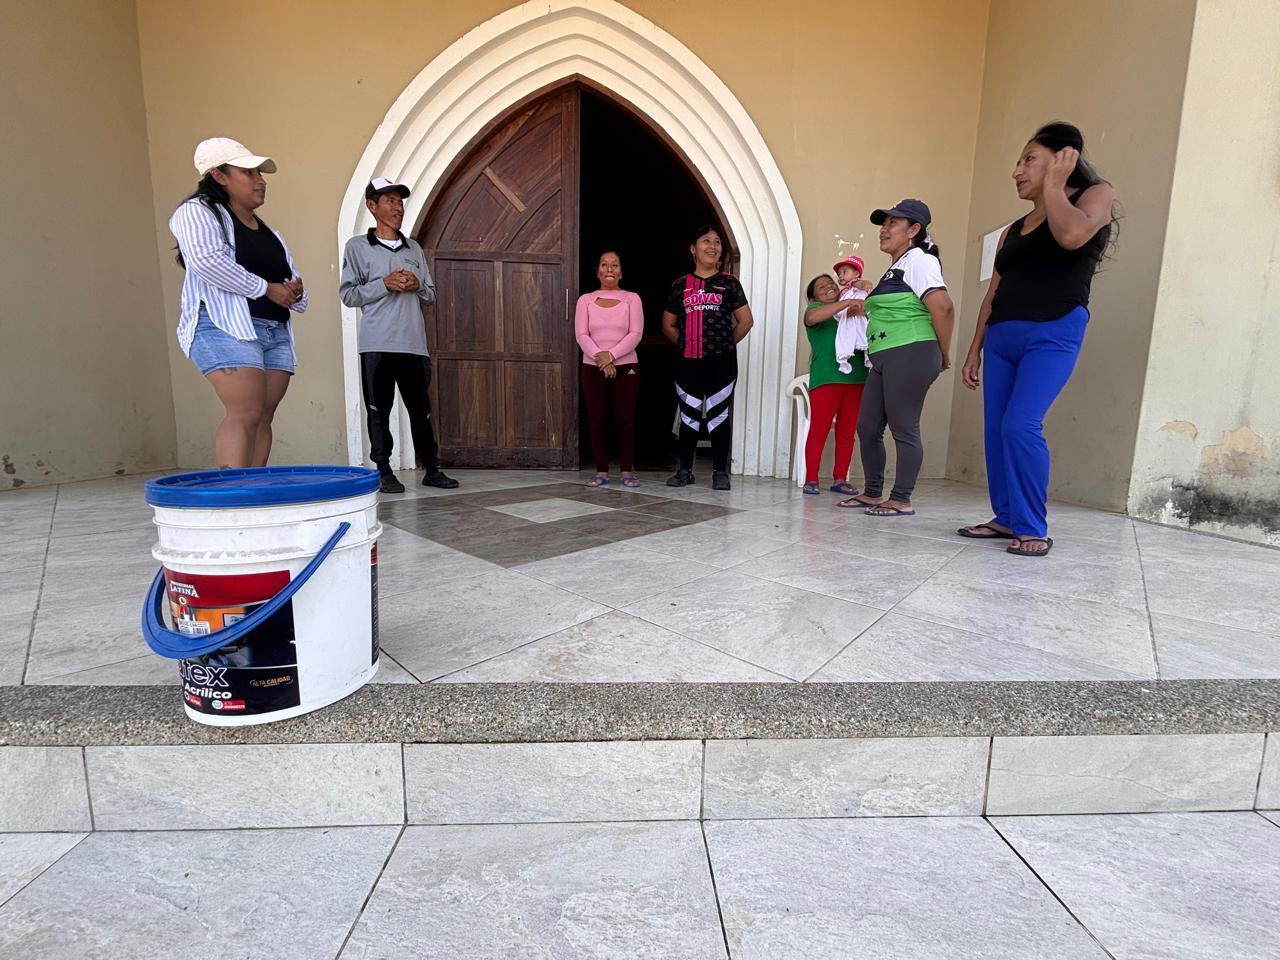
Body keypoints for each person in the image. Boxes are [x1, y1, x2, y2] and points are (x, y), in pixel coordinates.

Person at [957, 122, 1115, 557]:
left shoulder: (1094, 195)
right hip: (1002, 336)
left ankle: (1032, 527)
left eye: (1029, 159)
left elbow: (1072, 236)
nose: (1017, 171)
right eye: (1018, 162)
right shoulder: (1012, 230)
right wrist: (974, 349)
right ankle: (1006, 516)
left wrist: (1056, 187)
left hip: (1054, 330)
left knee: (1020, 423)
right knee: (996, 430)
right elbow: (993, 291)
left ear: (1064, 158)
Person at [169, 137, 307, 469]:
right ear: (219, 175)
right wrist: (267, 289)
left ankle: (253, 487)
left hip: (273, 329)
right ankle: (233, 492)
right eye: (248, 172)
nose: (260, 180)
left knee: (263, 415)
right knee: (245, 411)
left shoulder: (269, 231)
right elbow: (208, 262)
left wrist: (295, 292)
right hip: (222, 325)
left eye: (260, 173)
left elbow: (289, 275)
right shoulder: (196, 212)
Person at [836, 198, 955, 516]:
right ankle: (873, 493)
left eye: (893, 223)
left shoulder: (920, 260)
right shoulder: (898, 267)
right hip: (885, 356)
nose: (884, 229)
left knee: (904, 427)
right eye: (884, 223)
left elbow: (943, 307)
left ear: (914, 229)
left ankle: (901, 498)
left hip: (911, 349)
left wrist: (943, 353)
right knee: (867, 426)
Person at [340, 178, 458, 493]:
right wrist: (385, 284)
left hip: (414, 344)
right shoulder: (357, 247)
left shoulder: (414, 248)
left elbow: (431, 294)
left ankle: (432, 469)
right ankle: (384, 471)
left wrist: (416, 285)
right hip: (377, 344)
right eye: (390, 201)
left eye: (400, 201)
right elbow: (349, 295)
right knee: (379, 410)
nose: (397, 208)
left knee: (421, 411)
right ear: (372, 206)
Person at [662, 225, 754, 491]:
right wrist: (687, 344)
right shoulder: (680, 285)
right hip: (688, 363)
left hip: (722, 363)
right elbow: (668, 325)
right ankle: (685, 471)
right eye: (706, 241)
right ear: (693, 248)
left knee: (718, 416)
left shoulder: (729, 283)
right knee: (689, 416)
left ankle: (719, 472)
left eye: (717, 242)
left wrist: (723, 345)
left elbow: (746, 321)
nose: (712, 246)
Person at [575, 251, 644, 488]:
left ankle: (626, 471)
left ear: (621, 272)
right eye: (604, 265)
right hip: (592, 367)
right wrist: (603, 360)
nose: (609, 269)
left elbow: (635, 333)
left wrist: (611, 356)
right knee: (598, 419)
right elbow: (581, 334)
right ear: (597, 271)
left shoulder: (632, 299)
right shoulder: (585, 300)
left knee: (625, 419)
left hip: (626, 367)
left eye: (615, 265)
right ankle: (601, 471)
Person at [801, 273, 867, 495]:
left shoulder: (851, 307)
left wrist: (857, 294)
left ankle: (840, 479)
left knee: (847, 433)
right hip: (826, 380)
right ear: (813, 298)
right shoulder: (816, 309)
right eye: (821, 286)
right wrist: (847, 303)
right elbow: (812, 318)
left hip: (857, 379)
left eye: (831, 283)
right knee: (818, 431)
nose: (828, 286)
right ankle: (811, 479)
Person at [832, 255, 870, 375]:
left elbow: (862, 284)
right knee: (847, 335)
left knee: (861, 333)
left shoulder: (854, 283)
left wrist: (865, 284)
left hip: (857, 313)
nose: (840, 275)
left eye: (844, 272)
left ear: (856, 273)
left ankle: (860, 358)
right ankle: (847, 358)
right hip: (849, 316)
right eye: (839, 274)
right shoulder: (844, 291)